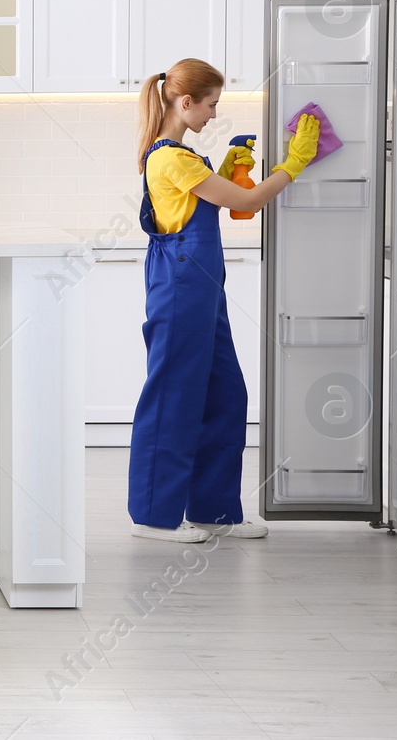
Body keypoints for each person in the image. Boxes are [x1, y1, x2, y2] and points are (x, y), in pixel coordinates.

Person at [129, 58, 322, 543]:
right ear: (185, 101)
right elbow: (247, 204)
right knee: (173, 396)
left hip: (201, 288)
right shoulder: (170, 157)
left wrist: (229, 168)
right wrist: (293, 164)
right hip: (179, 288)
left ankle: (213, 510)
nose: (215, 115)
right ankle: (154, 517)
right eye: (212, 104)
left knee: (224, 394)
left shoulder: (185, 157)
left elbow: (221, 202)